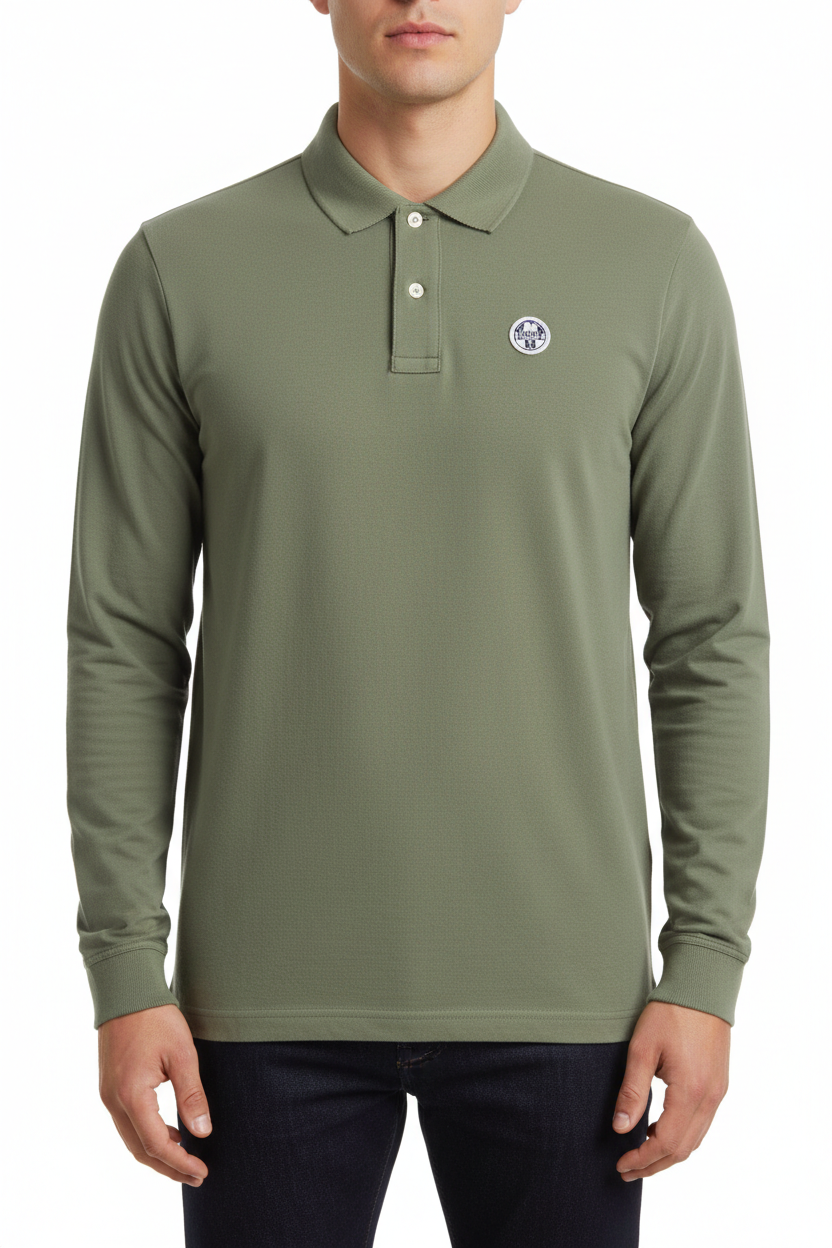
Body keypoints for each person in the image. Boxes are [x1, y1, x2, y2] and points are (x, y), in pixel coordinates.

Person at [66, 1, 770, 1245]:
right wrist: (125, 969)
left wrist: (705, 967)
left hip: (569, 1001)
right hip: (254, 1008)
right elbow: (122, 638)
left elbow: (709, 637)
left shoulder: (650, 262)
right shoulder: (181, 267)